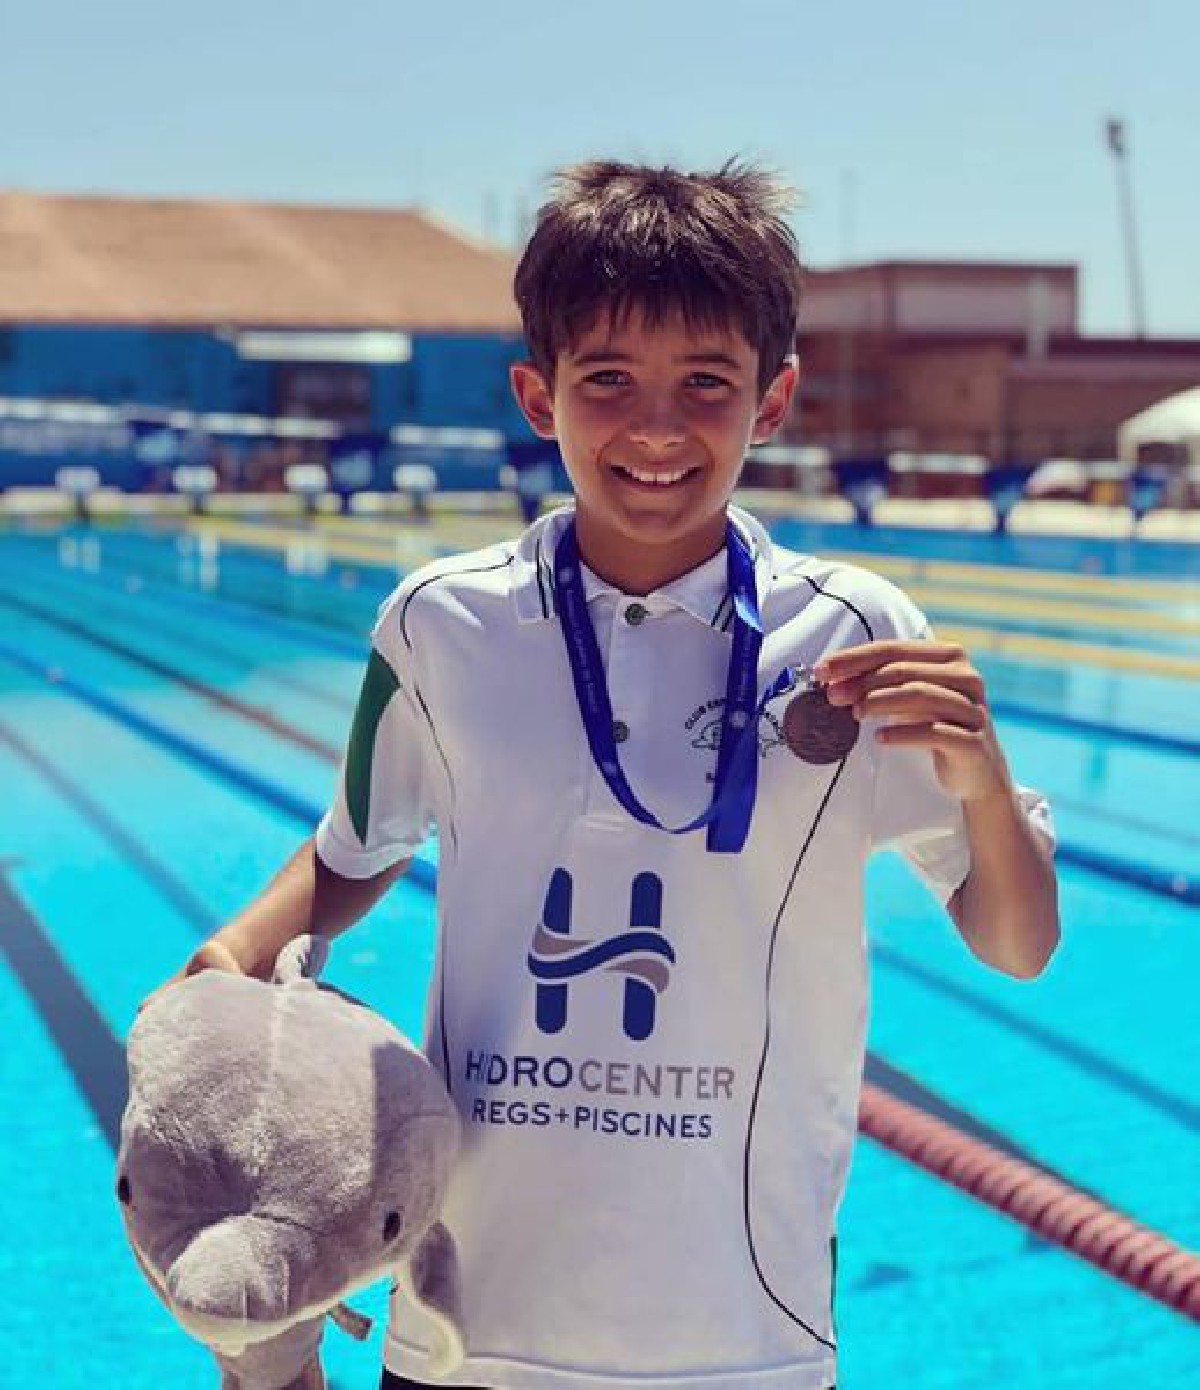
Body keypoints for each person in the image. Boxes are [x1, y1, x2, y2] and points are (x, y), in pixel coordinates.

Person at [147, 160, 1059, 1390]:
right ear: (539, 394)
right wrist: (231, 958)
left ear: (774, 399)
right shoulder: (439, 623)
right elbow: (356, 846)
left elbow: (1016, 943)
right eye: (609, 380)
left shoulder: (854, 632)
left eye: (707, 383)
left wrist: (985, 785)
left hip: (741, 1332)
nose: (657, 429)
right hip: (466, 1319)